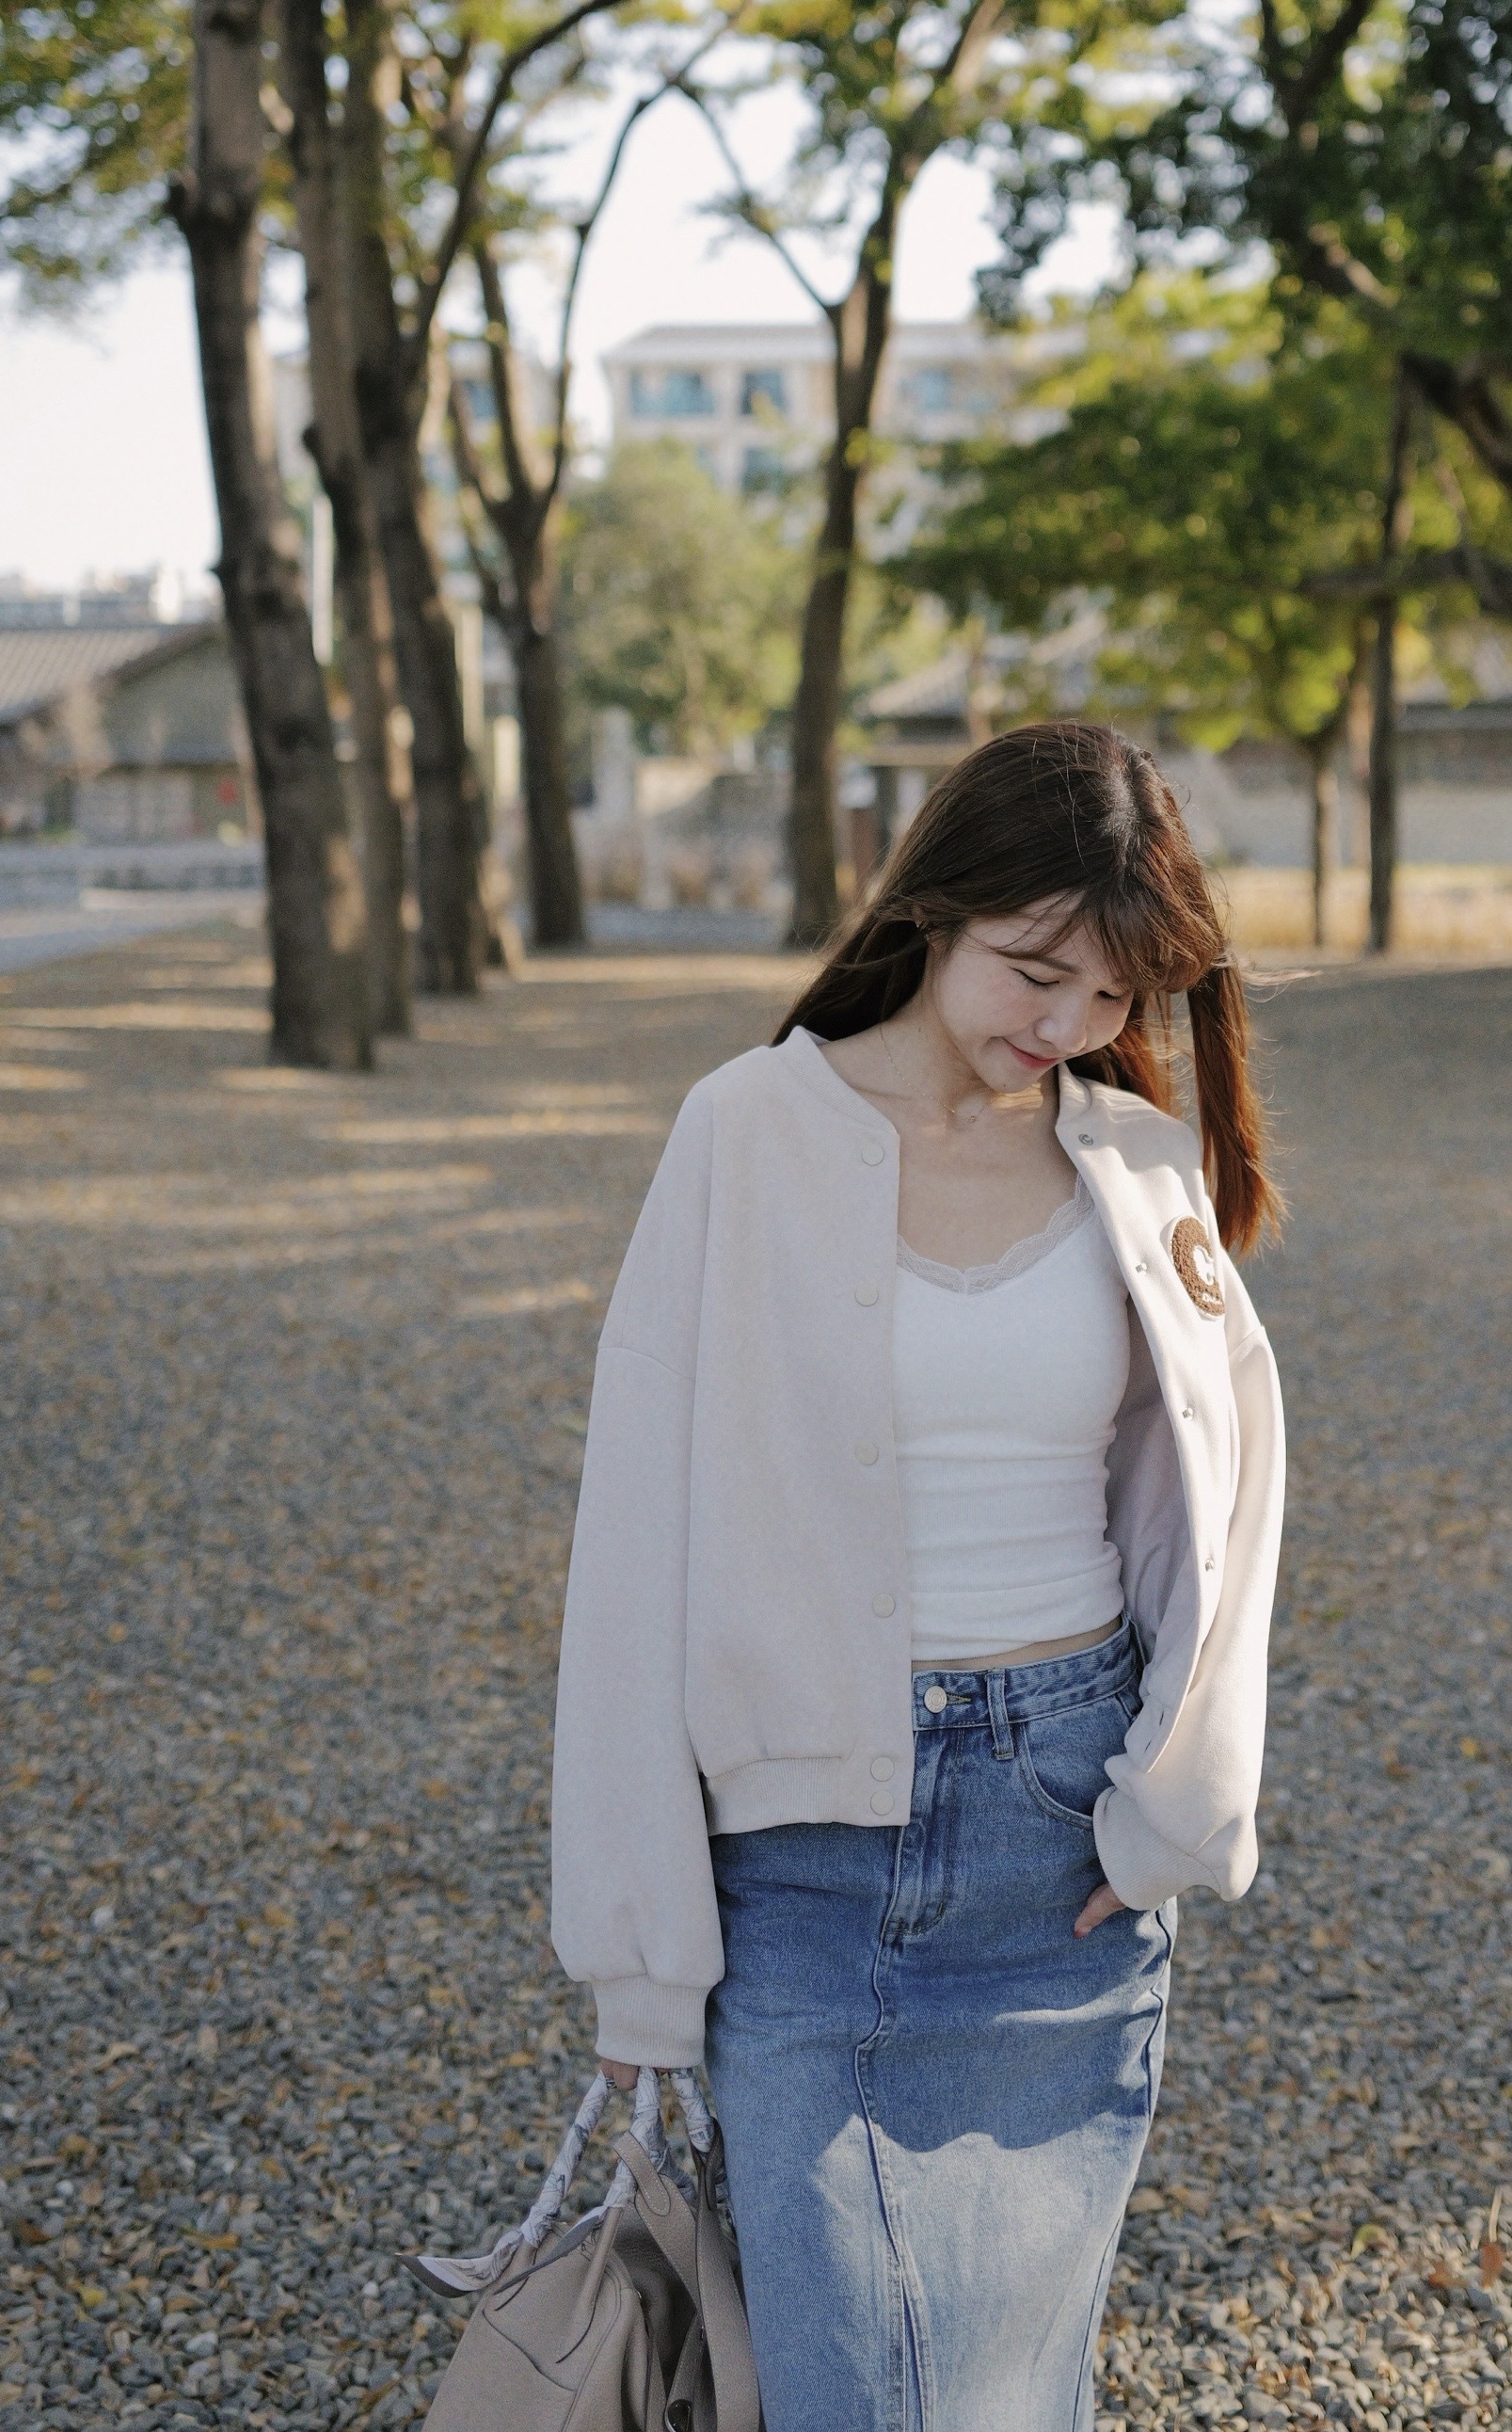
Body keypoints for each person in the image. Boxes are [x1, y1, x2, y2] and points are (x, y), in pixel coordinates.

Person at [550, 723, 1286, 2431]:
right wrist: (640, 1954)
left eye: (1112, 994)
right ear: (936, 905)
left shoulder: (1136, 1162)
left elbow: (1229, 1497)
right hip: (799, 1871)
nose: (1068, 1023)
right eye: (1034, 969)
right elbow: (636, 1539)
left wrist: (1175, 1807)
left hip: (1062, 1847)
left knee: (1011, 2396)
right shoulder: (744, 1130)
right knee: (849, 2389)